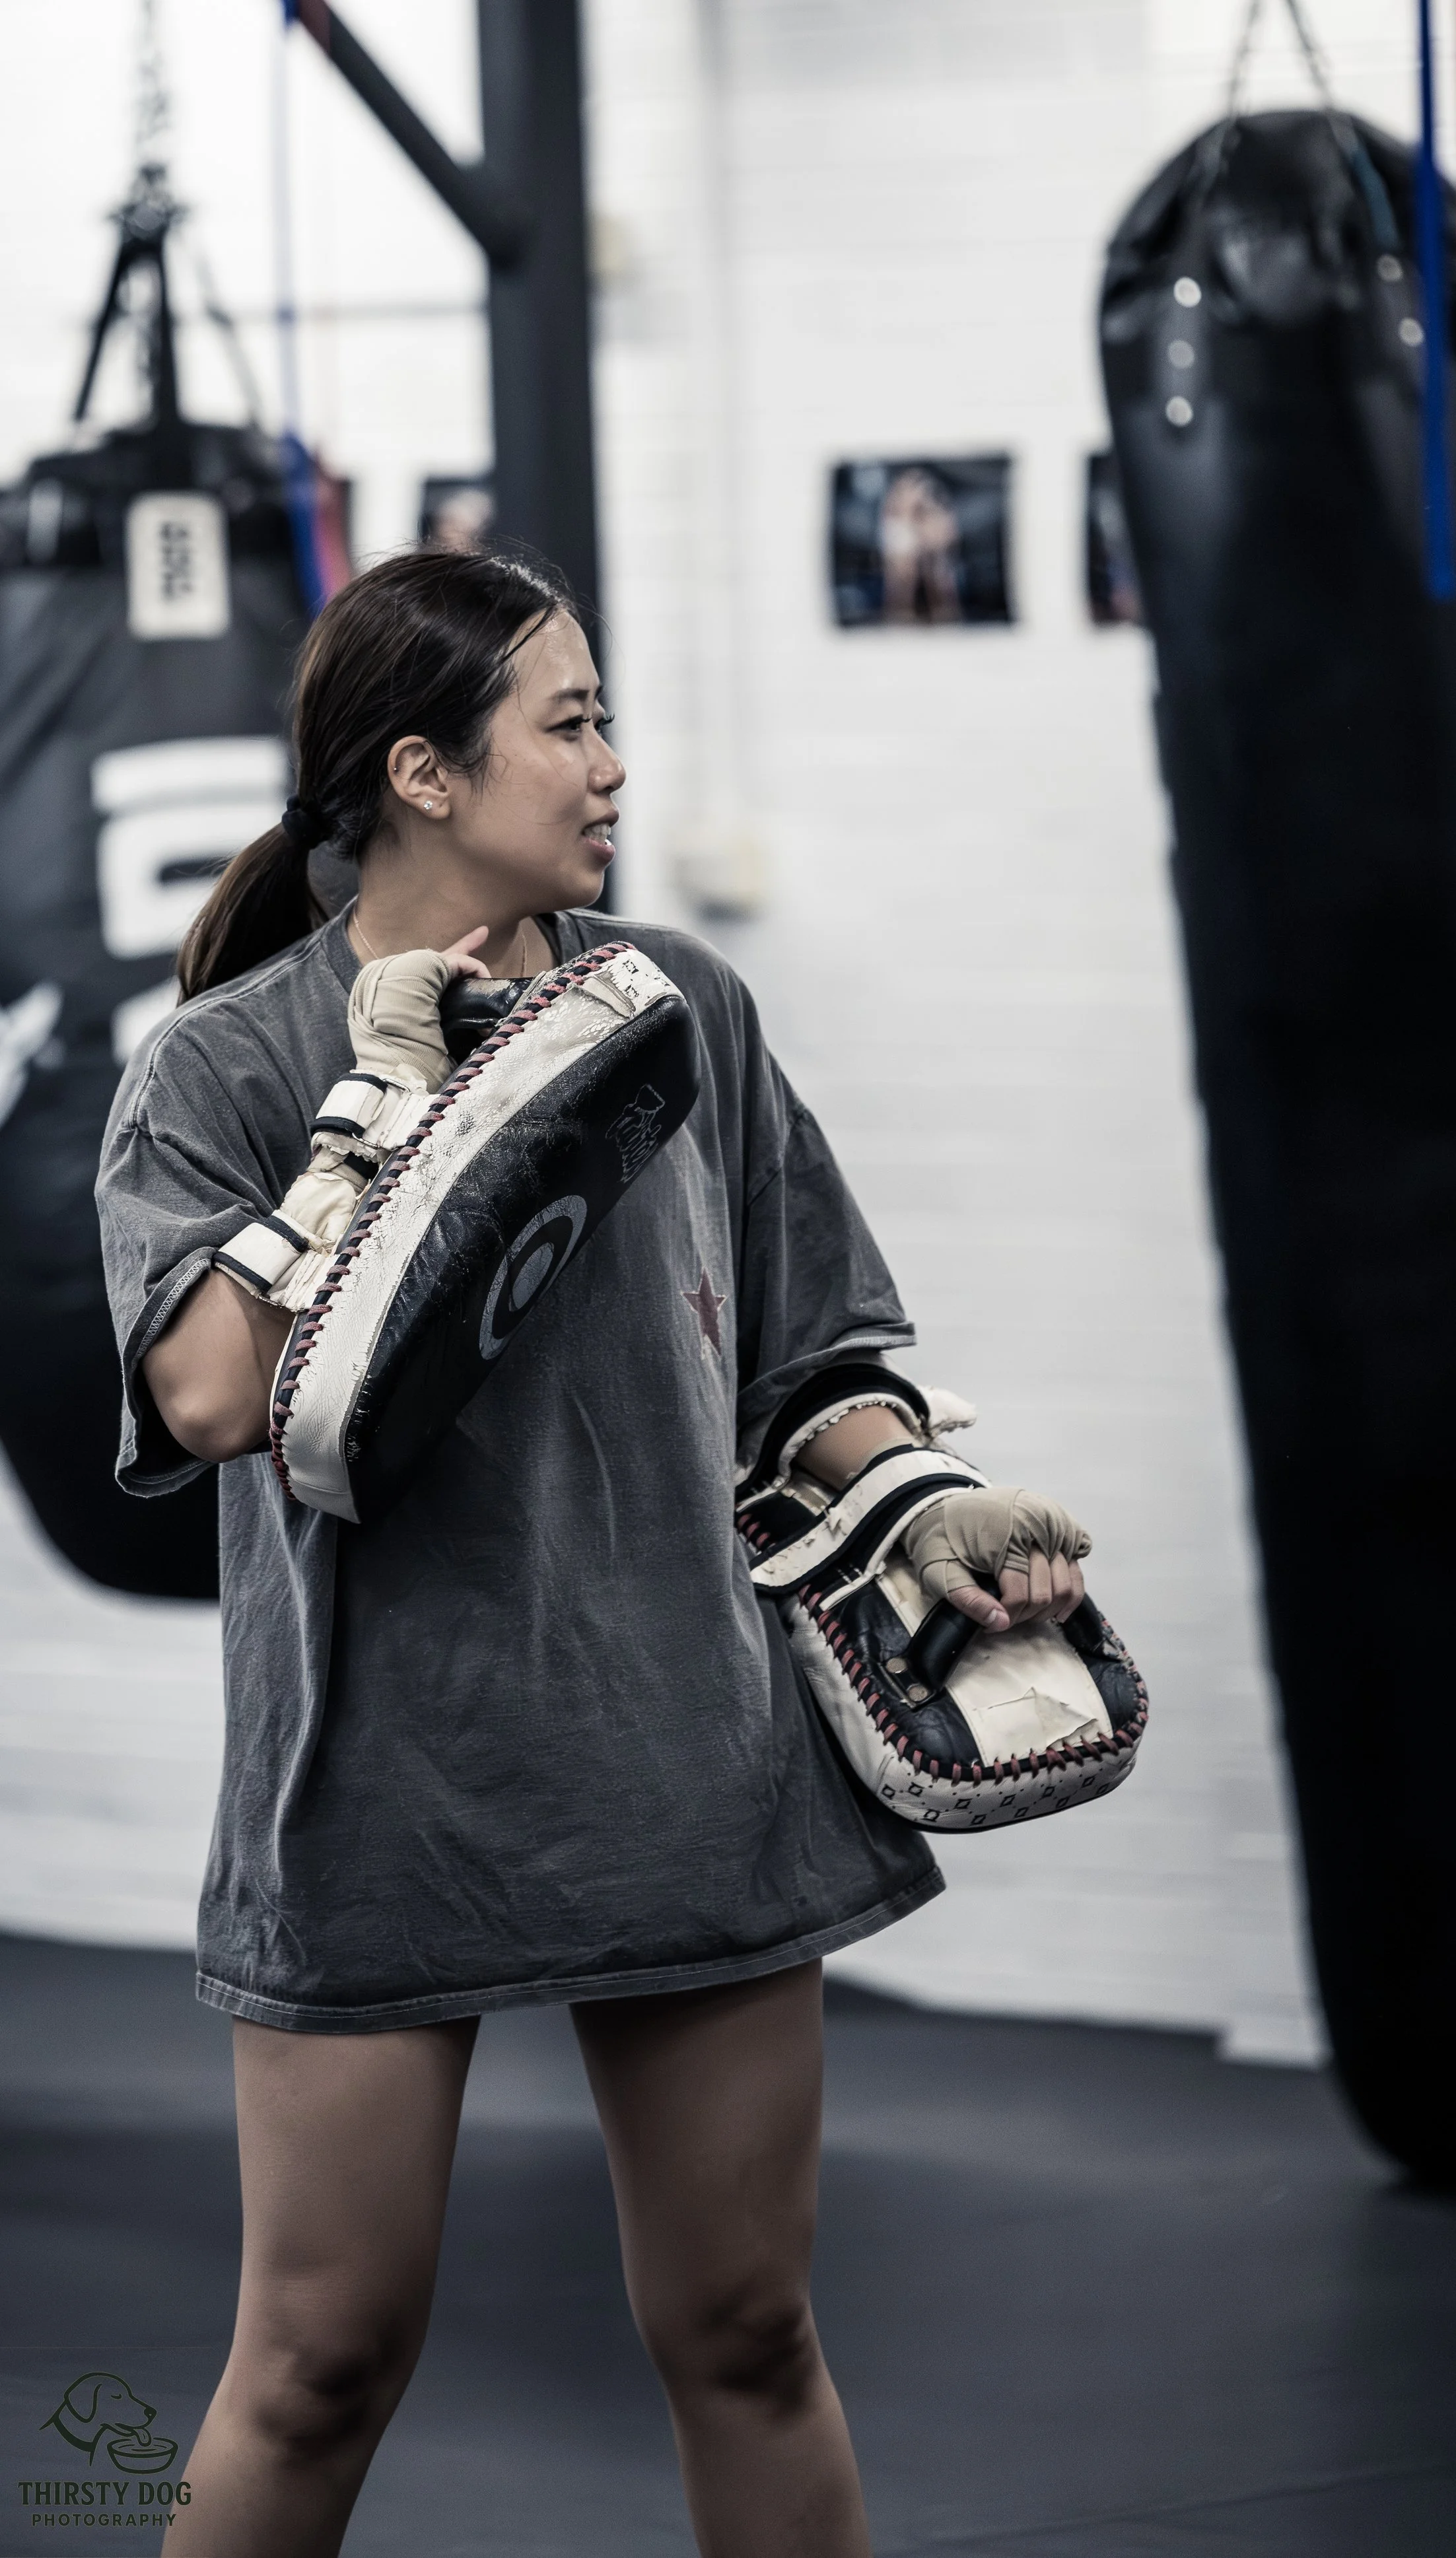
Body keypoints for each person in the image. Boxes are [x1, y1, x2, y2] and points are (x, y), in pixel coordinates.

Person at [96, 545, 1092, 2558]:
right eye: (569, 725)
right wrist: (378, 1104)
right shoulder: (227, 1066)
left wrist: (919, 1496)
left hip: (685, 1763)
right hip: (376, 1786)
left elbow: (816, 1352)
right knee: (314, 2362)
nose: (614, 768)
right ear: (425, 774)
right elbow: (209, 1399)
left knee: (742, 2330)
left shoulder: (679, 1015)